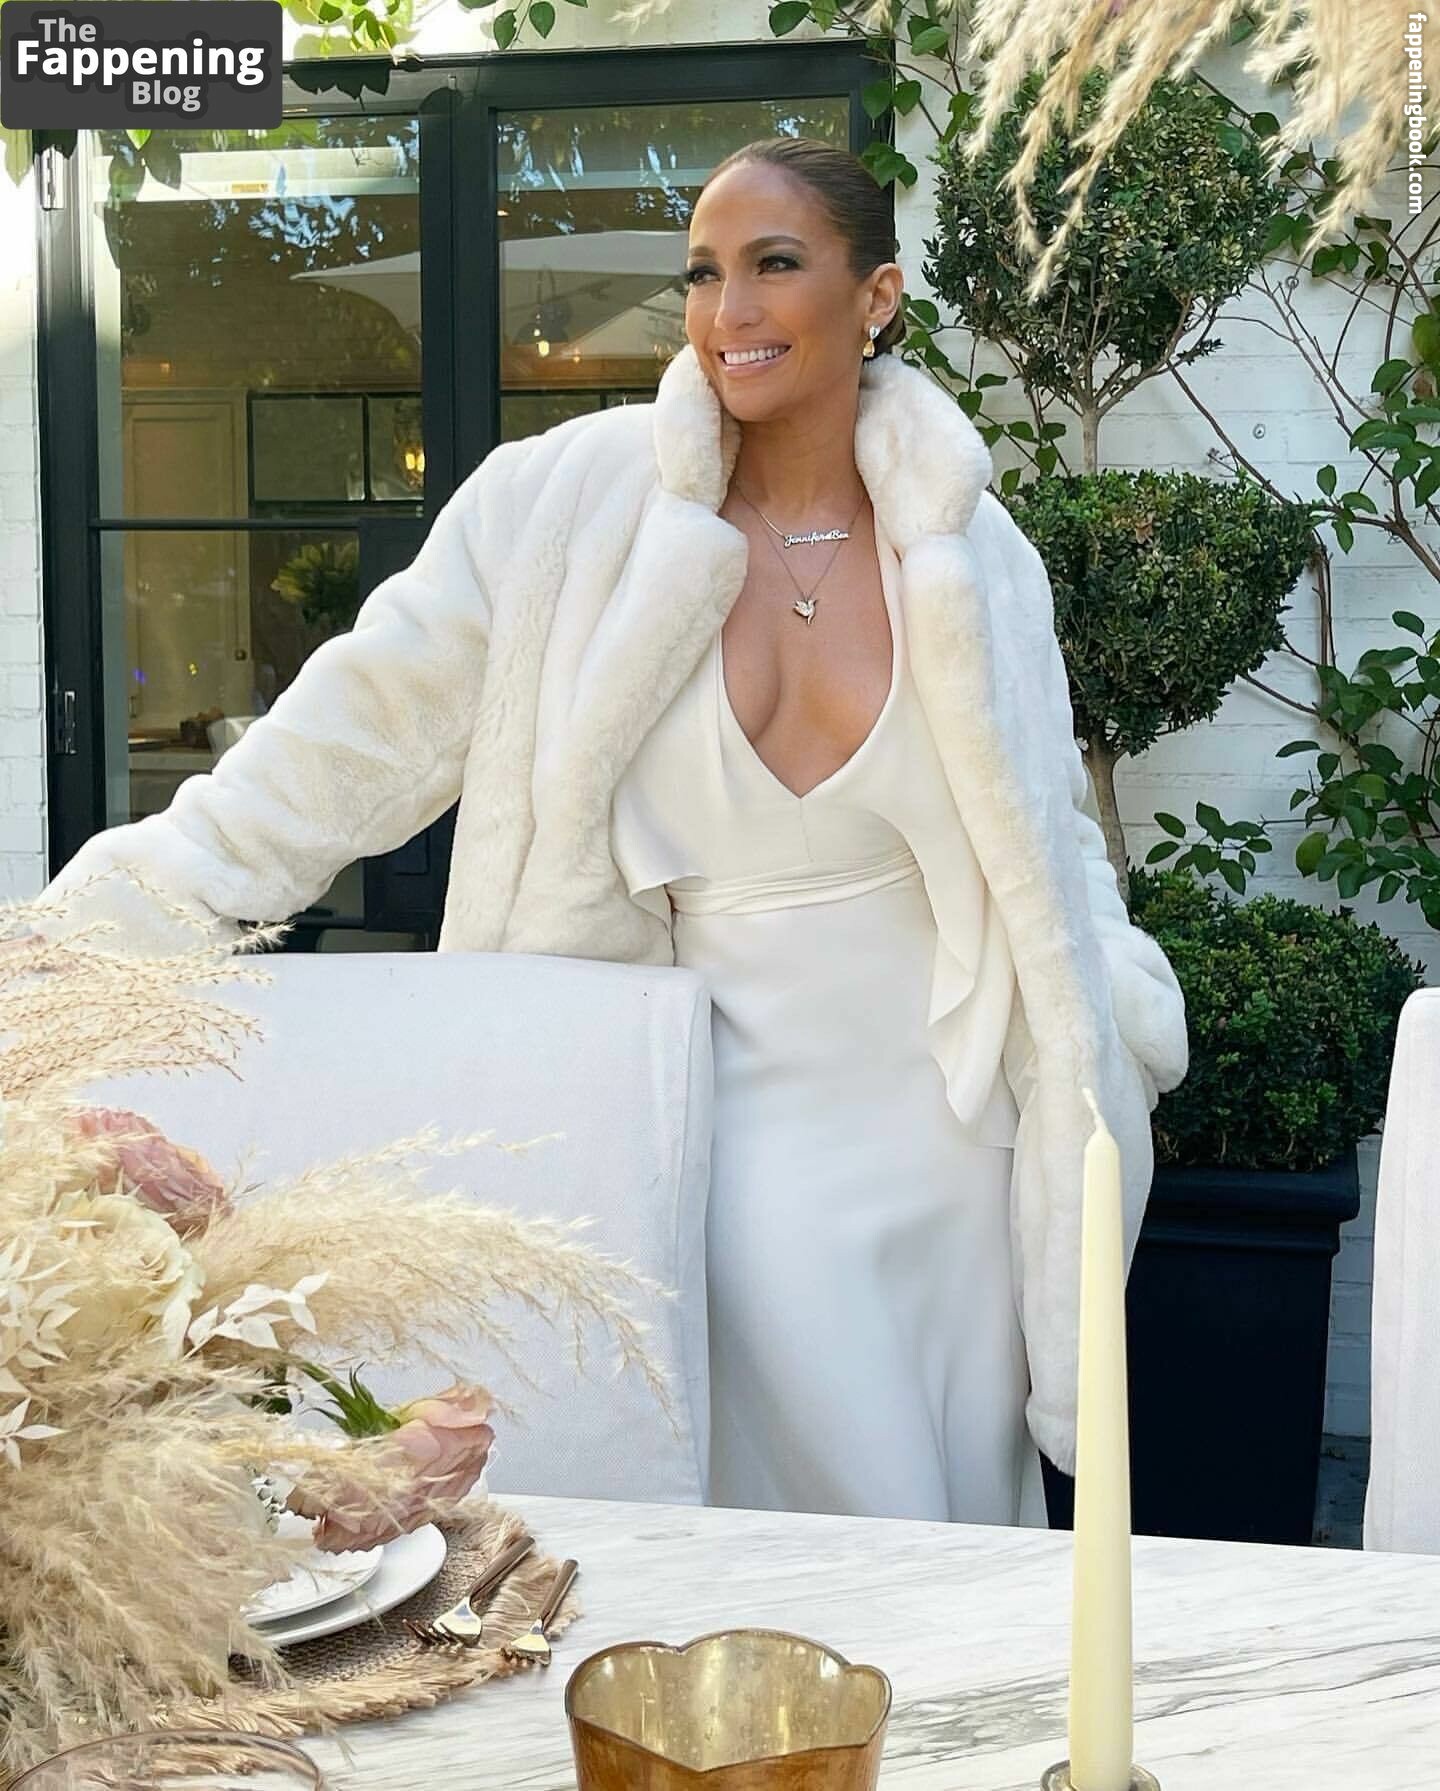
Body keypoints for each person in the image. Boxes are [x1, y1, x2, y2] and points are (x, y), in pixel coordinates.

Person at [40, 136, 1188, 1524]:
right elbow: (342, 748)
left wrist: (1119, 1009)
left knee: (938, 1522)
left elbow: (1047, 834)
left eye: (775, 265)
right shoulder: (563, 509)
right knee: (743, 1505)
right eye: (703, 274)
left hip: (948, 1122)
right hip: (695, 1107)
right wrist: (73, 954)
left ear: (876, 295)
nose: (729, 311)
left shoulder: (975, 555)